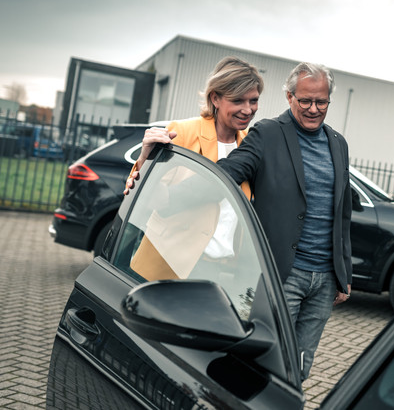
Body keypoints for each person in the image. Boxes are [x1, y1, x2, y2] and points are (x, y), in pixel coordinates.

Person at [217, 62, 352, 381]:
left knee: (300, 366)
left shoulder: (338, 143)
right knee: (268, 362)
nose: (314, 109)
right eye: (305, 100)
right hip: (282, 274)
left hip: (325, 281)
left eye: (321, 101)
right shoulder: (267, 133)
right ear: (289, 97)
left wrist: (343, 272)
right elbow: (227, 173)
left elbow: (343, 212)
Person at [124, 55, 263, 201]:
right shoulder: (181, 133)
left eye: (253, 100)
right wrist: (144, 158)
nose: (248, 110)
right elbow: (148, 196)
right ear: (215, 98)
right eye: (237, 100)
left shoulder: (251, 142)